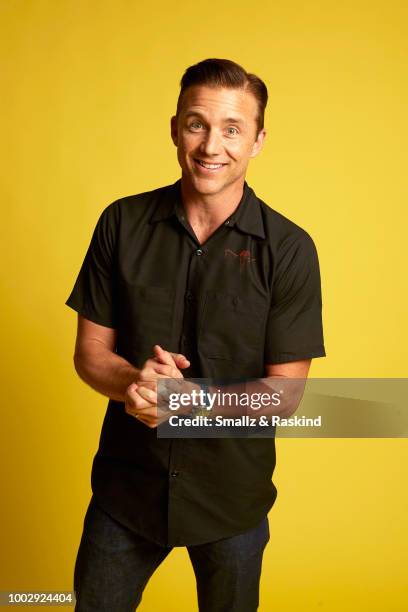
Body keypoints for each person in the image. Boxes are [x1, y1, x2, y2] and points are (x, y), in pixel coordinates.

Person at [66, 58, 325, 611]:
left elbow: (287, 394)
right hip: (125, 492)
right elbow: (90, 353)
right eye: (196, 124)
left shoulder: (290, 250)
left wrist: (191, 404)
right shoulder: (120, 223)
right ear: (175, 129)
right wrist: (134, 380)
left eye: (233, 128)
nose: (212, 146)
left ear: (258, 140)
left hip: (231, 500)